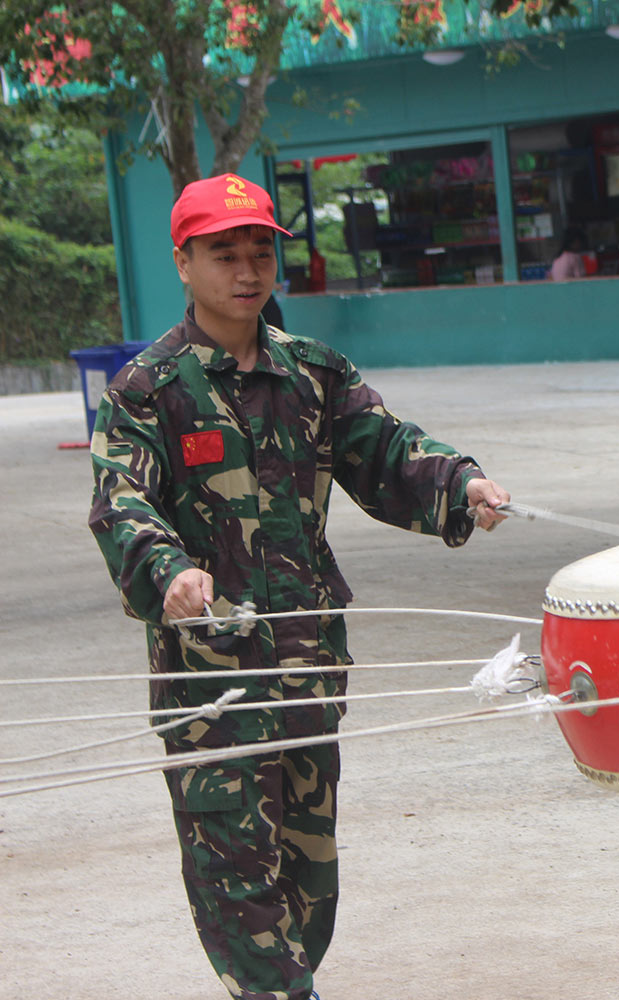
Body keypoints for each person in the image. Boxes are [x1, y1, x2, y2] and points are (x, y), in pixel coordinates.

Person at [87, 173, 511, 1000]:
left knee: (309, 893)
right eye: (224, 254)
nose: (247, 270)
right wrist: (169, 572)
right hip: (213, 691)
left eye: (260, 251)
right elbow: (120, 503)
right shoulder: (149, 390)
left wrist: (461, 484)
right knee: (240, 893)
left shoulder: (313, 372)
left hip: (307, 675)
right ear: (183, 263)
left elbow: (387, 451)